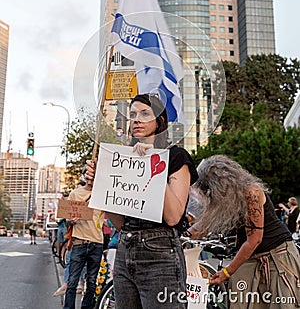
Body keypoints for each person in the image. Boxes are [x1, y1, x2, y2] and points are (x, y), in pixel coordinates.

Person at [86, 93, 198, 308]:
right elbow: (120, 223)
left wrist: (152, 162)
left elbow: (174, 216)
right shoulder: (125, 159)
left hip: (161, 253)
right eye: (133, 114)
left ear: (160, 121)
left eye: (145, 114)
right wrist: (99, 185)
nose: (136, 119)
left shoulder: (176, 157)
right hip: (125, 249)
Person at [187, 155, 300, 308]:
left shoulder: (251, 192)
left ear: (221, 184)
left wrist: (227, 272)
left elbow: (254, 239)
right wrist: (183, 236)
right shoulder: (226, 200)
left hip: (277, 255)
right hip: (250, 256)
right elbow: (204, 225)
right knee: (239, 303)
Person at [63, 182, 104, 309]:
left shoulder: (103, 193)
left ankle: (87, 307)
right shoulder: (75, 193)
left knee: (92, 281)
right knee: (72, 281)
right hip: (79, 242)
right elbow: (66, 217)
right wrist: (70, 221)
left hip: (97, 242)